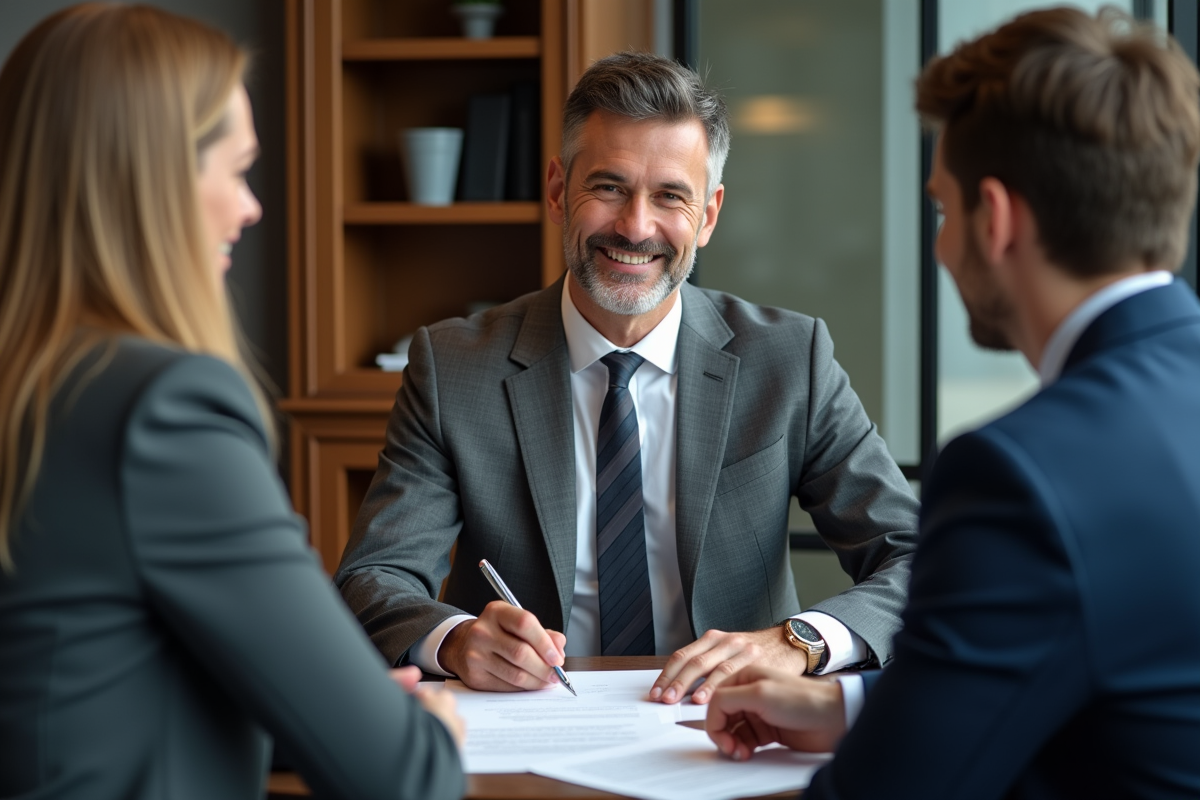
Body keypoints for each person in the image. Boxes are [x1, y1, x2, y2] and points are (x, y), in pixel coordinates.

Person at [704, 7, 1200, 798]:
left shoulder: (1020, 477)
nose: (939, 245)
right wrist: (851, 705)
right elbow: (1106, 680)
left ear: (995, 218)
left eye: (941, 209)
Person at [336, 51, 919, 703]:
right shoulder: (453, 367)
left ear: (709, 215)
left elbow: (918, 558)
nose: (636, 227)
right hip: (531, 727)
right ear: (558, 190)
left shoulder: (789, 358)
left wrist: (799, 642)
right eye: (608, 187)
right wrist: (456, 639)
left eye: (670, 195)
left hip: (730, 727)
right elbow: (374, 578)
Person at [0, 6, 464, 800]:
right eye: (236, 168)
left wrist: (315, 711)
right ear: (149, 178)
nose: (250, 207)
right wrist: (431, 733)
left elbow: (96, 680)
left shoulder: (34, 386)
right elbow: (400, 776)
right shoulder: (162, 409)